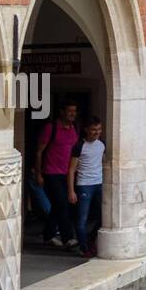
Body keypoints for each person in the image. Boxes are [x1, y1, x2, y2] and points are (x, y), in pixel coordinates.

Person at [34, 100, 80, 249]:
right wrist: (39, 173)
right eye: (70, 110)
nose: (73, 114)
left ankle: (48, 235)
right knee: (62, 204)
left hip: (68, 173)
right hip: (52, 173)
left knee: (57, 206)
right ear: (62, 111)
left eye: (74, 111)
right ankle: (68, 238)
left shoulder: (75, 129)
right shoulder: (51, 128)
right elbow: (39, 151)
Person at [67, 117, 105, 256]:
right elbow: (71, 169)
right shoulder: (79, 146)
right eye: (94, 129)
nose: (97, 132)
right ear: (86, 130)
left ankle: (90, 239)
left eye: (99, 129)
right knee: (82, 219)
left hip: (99, 183)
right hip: (84, 185)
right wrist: (71, 191)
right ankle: (85, 248)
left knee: (104, 216)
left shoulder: (102, 144)